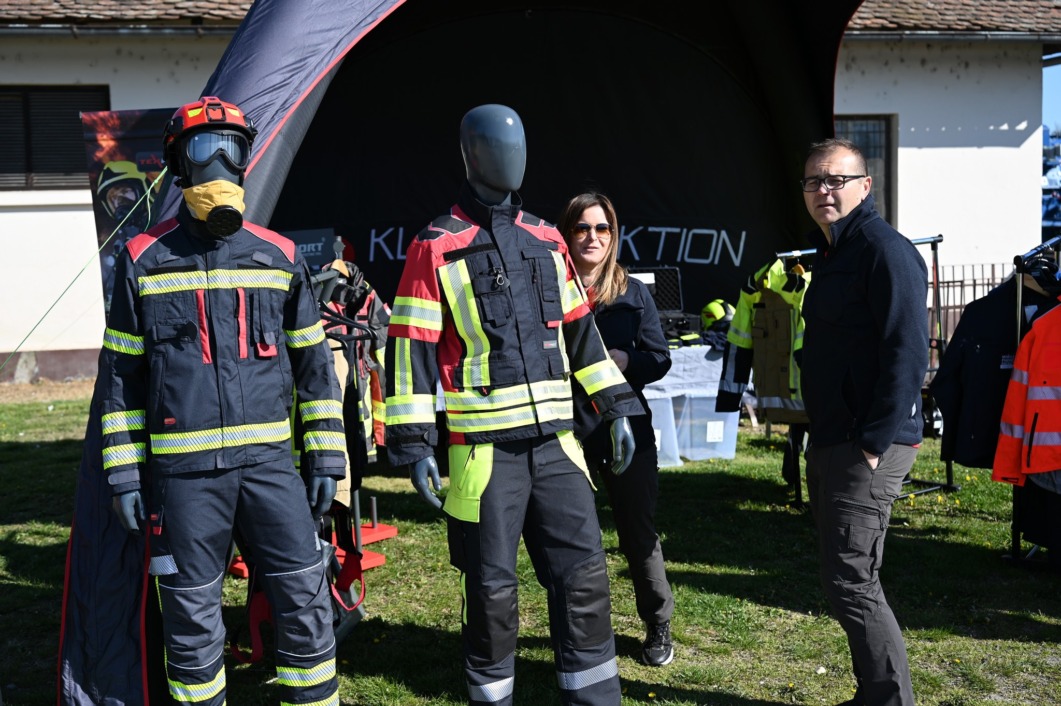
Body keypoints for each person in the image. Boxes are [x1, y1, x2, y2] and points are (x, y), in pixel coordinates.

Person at [385, 104, 643, 706]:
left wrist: (616, 405)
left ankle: (595, 698)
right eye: (499, 145)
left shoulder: (547, 239)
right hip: (484, 457)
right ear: (470, 155)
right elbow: (410, 349)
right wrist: (416, 444)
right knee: (492, 594)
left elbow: (580, 333)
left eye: (520, 144)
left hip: (557, 447)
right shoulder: (436, 246)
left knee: (585, 581)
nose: (513, 157)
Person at [101, 96, 346, 706]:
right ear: (177, 165)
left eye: (230, 148)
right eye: (202, 148)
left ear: (245, 160)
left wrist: (325, 460)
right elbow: (121, 380)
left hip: (271, 470)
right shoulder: (142, 260)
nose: (218, 162)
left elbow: (315, 371)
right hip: (185, 480)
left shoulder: (280, 257)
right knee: (190, 615)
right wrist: (125, 474)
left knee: (304, 597)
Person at [798, 138, 928, 706]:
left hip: (867, 442)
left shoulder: (884, 251)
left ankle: (889, 700)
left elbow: (908, 353)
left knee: (852, 579)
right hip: (835, 436)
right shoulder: (832, 253)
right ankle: (874, 693)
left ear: (865, 186)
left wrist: (873, 443)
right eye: (813, 181)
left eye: (836, 179)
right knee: (843, 578)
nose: (823, 190)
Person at [556, 192, 676, 667]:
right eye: (583, 228)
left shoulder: (632, 291)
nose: (593, 237)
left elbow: (660, 358)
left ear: (614, 234)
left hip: (627, 424)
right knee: (572, 537)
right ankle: (585, 632)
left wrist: (628, 360)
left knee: (637, 530)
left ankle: (658, 623)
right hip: (568, 427)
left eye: (602, 228)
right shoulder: (549, 286)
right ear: (568, 234)